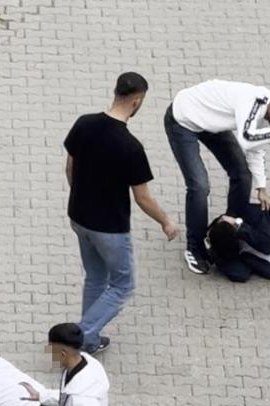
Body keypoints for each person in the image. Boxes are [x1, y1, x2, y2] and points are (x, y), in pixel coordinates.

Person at [64, 72, 177, 355]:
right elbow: (142, 198)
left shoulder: (84, 123)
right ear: (137, 102)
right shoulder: (130, 147)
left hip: (78, 216)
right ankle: (78, 338)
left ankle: (88, 341)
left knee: (95, 277)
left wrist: (80, 197)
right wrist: (166, 222)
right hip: (110, 228)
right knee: (123, 286)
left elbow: (70, 168)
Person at [164, 79, 270, 275]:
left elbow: (256, 149)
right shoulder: (252, 103)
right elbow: (247, 139)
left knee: (242, 174)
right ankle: (194, 248)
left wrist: (261, 187)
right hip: (183, 120)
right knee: (199, 186)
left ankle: (228, 228)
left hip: (211, 123)